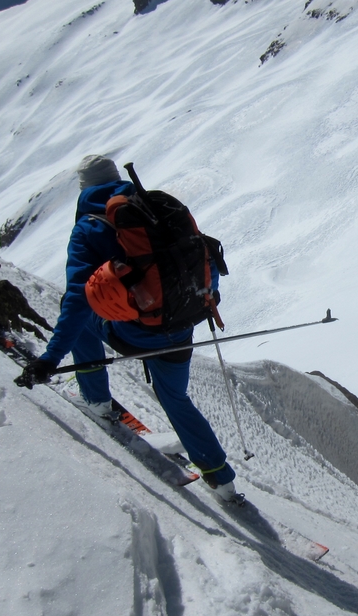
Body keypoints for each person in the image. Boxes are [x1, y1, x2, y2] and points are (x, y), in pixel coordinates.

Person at [15, 155, 240, 502]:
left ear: (84, 189)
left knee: (84, 320)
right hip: (180, 325)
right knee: (175, 397)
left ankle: (97, 402)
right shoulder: (157, 208)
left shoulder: (89, 228)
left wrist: (50, 358)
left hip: (133, 334)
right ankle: (222, 479)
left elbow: (77, 300)